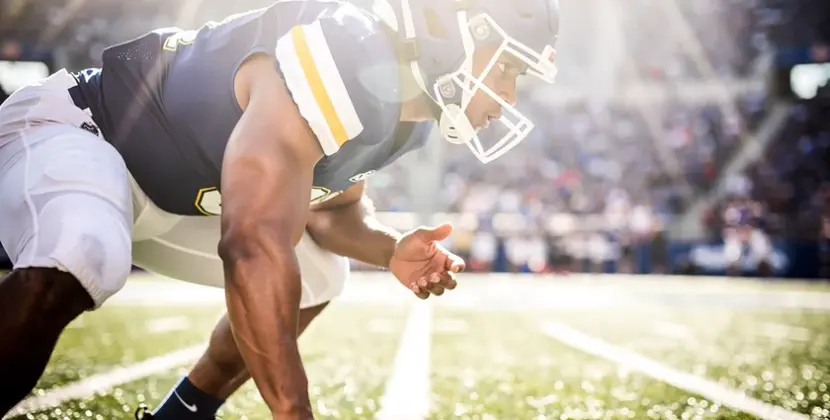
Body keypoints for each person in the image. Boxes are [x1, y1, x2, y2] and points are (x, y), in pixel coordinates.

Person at [0, 0, 560, 418]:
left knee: (319, 274)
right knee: (85, 251)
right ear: (447, 30)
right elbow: (250, 243)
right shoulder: (349, 48)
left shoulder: (408, 118)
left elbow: (328, 212)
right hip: (88, 131)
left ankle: (182, 415)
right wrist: (294, 411)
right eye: (507, 68)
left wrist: (389, 249)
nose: (509, 95)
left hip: (175, 193)